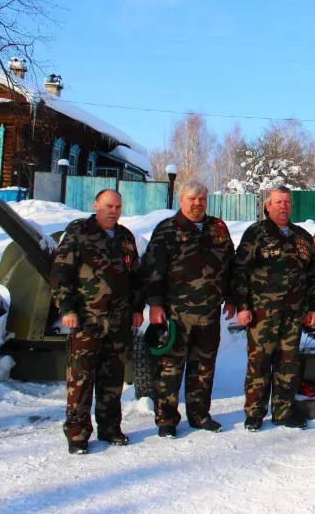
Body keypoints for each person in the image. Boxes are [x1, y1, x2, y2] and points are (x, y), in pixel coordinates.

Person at [50, 189, 143, 455]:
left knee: (112, 378)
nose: (113, 211)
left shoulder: (125, 237)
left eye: (118, 207)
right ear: (96, 205)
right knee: (81, 380)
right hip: (87, 319)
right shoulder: (79, 232)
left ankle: (110, 427)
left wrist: (137, 308)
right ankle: (77, 434)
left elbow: (135, 276)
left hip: (119, 321)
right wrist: (66, 308)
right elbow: (60, 273)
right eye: (108, 206)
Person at [142, 180, 235, 438]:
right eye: (192, 199)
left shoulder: (218, 228)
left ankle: (200, 414)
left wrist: (232, 297)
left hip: (209, 313)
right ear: (181, 200)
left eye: (202, 199)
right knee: (170, 368)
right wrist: (155, 304)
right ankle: (167, 419)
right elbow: (153, 269)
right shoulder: (167, 229)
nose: (197, 203)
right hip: (175, 314)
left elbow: (231, 264)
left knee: (203, 368)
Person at [233, 186, 315, 431]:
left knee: (288, 364)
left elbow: (313, 274)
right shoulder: (255, 234)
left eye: (287, 202)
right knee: (259, 363)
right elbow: (240, 271)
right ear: (267, 206)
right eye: (278, 202)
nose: (283, 206)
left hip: (293, 314)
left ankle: (283, 412)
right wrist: (242, 306)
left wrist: (314, 306)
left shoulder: (302, 236)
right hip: (262, 313)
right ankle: (254, 413)